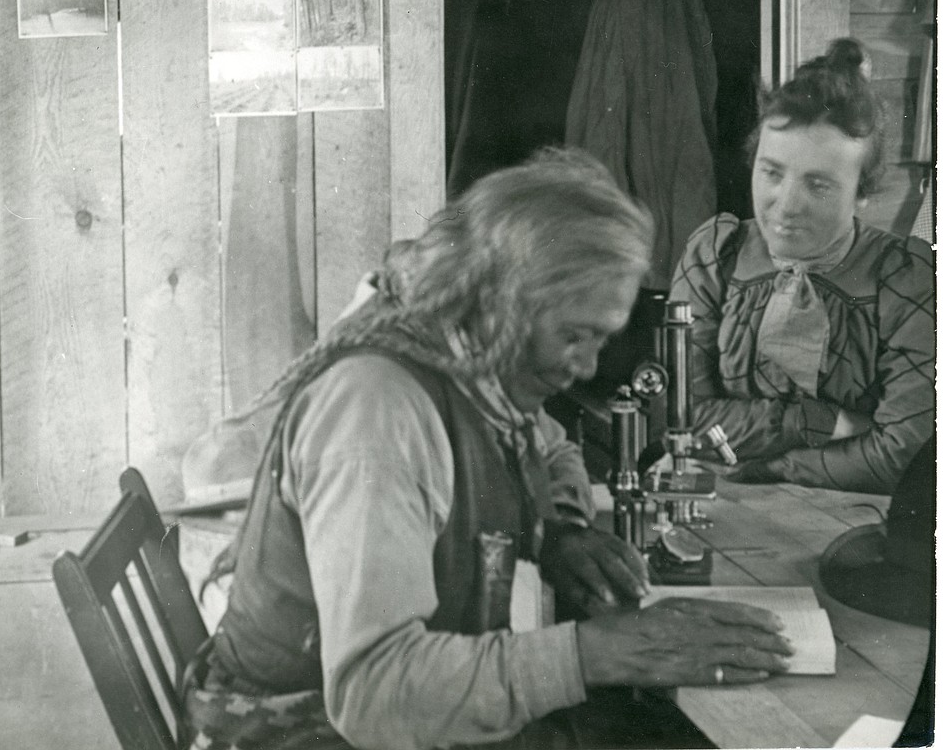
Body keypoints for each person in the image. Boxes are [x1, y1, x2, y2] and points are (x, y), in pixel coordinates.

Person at [181, 147, 794, 750]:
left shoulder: (471, 364)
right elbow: (374, 693)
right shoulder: (379, 411)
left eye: (600, 339)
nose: (586, 367)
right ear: (504, 305)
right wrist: (596, 653)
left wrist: (558, 530)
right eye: (573, 335)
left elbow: (550, 450)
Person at [671, 38, 934, 494]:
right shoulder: (715, 257)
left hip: (859, 522)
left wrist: (771, 466)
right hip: (726, 511)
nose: (786, 205)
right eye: (771, 173)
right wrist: (823, 422)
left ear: (863, 193)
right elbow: (680, 420)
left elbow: (907, 457)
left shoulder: (908, 282)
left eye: (819, 185)